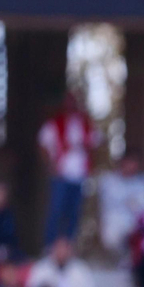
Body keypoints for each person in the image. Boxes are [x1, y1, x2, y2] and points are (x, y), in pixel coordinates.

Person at [38, 93, 97, 244]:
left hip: (79, 176)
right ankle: (50, 246)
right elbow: (42, 144)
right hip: (61, 175)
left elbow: (96, 142)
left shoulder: (84, 123)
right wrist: (51, 165)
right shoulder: (54, 123)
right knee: (56, 211)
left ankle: (69, 247)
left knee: (74, 213)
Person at [98, 153, 144, 254]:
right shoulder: (109, 181)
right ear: (123, 163)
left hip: (135, 225)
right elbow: (108, 205)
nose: (131, 167)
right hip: (114, 225)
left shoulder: (143, 182)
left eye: (134, 164)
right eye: (129, 163)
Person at [26, 239, 96, 287]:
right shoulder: (41, 267)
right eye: (59, 248)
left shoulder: (80, 269)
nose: (62, 252)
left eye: (64, 249)